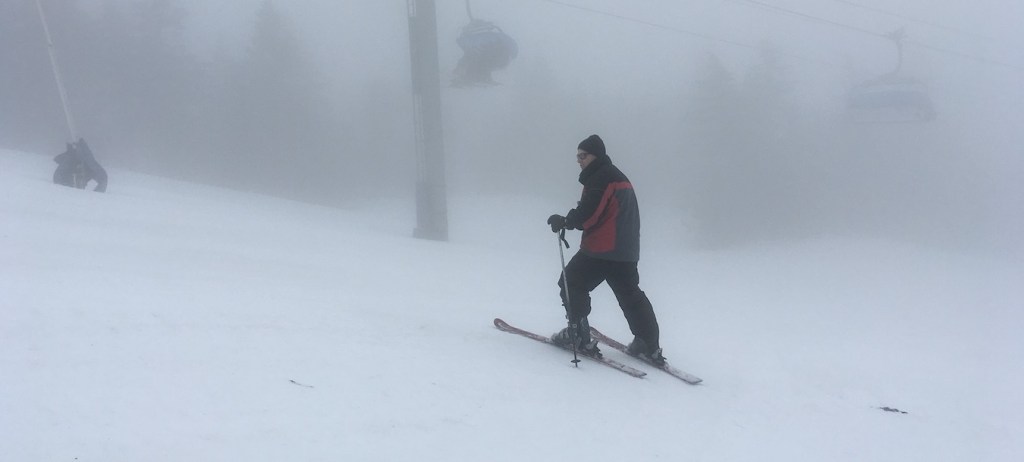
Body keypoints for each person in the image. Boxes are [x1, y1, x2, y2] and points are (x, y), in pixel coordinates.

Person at [546, 134, 666, 365]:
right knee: (630, 294)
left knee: (571, 282)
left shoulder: (602, 178)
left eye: (583, 156)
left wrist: (565, 221)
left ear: (596, 156)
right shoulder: (616, 176)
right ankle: (647, 343)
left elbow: (590, 213)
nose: (579, 160)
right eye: (577, 157)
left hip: (603, 249)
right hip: (626, 251)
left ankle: (577, 335)